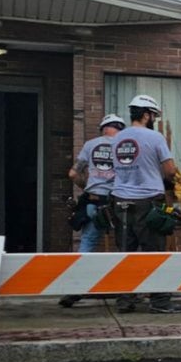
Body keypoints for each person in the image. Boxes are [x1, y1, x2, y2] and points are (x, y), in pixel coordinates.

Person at [111, 94, 181, 314]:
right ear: (145, 115)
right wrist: (173, 183)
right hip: (147, 202)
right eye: (153, 115)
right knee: (154, 251)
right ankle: (159, 301)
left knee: (126, 252)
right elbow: (170, 170)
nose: (154, 119)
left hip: (120, 201)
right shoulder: (155, 138)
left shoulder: (117, 139)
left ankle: (126, 300)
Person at [59, 113, 124, 308]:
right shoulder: (123, 146)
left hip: (92, 202)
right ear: (120, 129)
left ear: (103, 128)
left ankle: (75, 290)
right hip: (115, 202)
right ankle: (126, 292)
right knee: (125, 243)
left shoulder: (90, 145)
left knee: (87, 243)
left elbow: (72, 173)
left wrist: (86, 185)